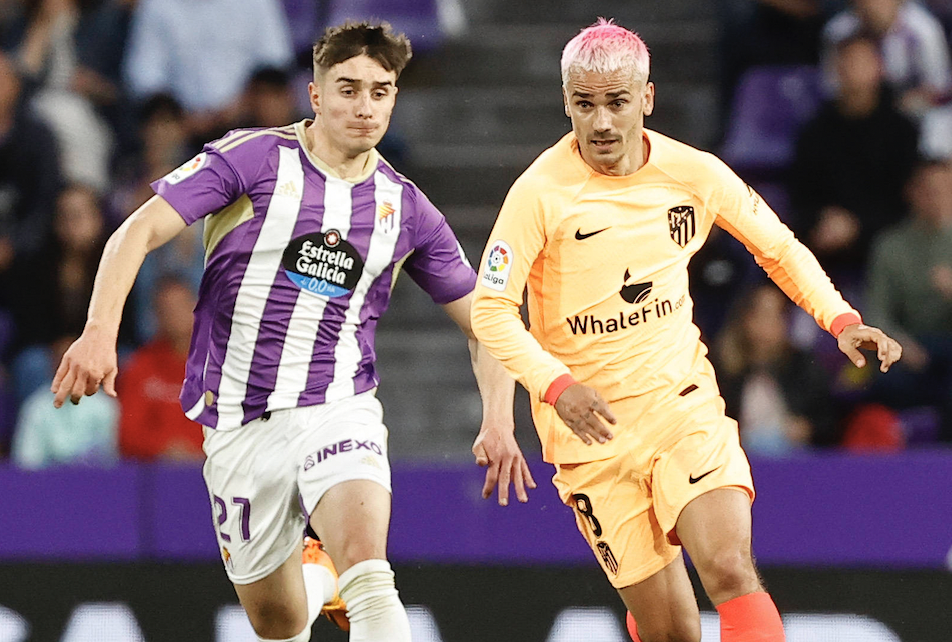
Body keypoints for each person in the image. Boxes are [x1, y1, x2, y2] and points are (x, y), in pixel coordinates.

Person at [51, 21, 534, 642]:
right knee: (276, 622)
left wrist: (498, 417)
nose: (364, 107)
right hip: (238, 421)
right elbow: (135, 232)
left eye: (380, 92)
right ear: (315, 94)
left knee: (370, 572)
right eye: (348, 89)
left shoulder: (405, 208)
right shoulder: (252, 158)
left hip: (339, 407)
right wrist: (98, 331)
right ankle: (318, 577)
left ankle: (346, 574)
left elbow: (487, 321)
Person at [470, 19, 902, 642]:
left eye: (617, 103)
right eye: (585, 105)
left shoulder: (693, 172)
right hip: (590, 435)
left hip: (681, 405)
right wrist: (556, 388)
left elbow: (777, 247)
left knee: (728, 565)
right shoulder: (538, 193)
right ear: (566, 102)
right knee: (671, 630)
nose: (601, 123)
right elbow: (490, 310)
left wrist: (840, 319)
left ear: (646, 98)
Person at [790, 32, 919, 286]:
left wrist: (857, 225)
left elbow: (906, 202)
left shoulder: (902, 131)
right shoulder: (815, 131)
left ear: (879, 67)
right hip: (824, 236)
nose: (851, 70)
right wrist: (822, 220)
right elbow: (801, 196)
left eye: (860, 62)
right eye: (845, 62)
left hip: (885, 239)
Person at [865, 160, 952, 441]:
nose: (939, 198)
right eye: (931, 190)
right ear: (912, 193)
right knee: (884, 379)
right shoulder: (890, 246)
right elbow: (876, 311)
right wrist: (900, 343)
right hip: (910, 346)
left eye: (946, 189)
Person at [117, 274, 204, 461]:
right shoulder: (140, 367)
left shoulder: (220, 365)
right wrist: (163, 448)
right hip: (155, 470)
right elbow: (127, 434)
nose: (175, 316)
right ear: (156, 316)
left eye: (180, 306)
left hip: (212, 468)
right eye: (166, 310)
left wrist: (199, 451)